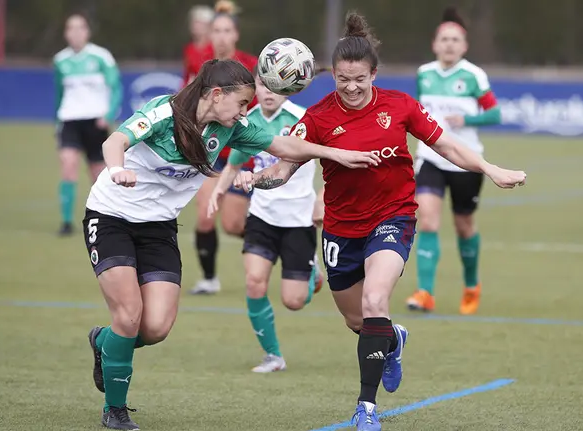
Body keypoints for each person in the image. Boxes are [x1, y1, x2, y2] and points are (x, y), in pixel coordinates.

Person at [231, 12, 526, 431]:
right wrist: (254, 178)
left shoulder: (400, 106)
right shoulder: (315, 118)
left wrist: (490, 168)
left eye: (360, 79)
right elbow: (282, 170)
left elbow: (447, 146)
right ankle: (393, 339)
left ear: (374, 74)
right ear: (333, 75)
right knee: (360, 322)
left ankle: (366, 408)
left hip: (394, 216)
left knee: (374, 303)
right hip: (340, 229)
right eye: (342, 80)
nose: (351, 88)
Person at [82, 59, 378, 430]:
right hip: (111, 218)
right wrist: (116, 169)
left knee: (155, 327)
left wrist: (334, 152)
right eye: (241, 103)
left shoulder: (232, 128)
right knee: (128, 315)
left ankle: (104, 343)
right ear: (217, 94)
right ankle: (116, 409)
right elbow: (116, 141)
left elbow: (283, 144)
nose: (245, 112)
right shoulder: (164, 111)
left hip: (158, 229)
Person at [207, 71, 324, 373]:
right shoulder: (246, 122)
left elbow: (330, 162)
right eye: (263, 84)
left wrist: (322, 199)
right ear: (254, 87)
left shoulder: (304, 119)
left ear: (290, 88)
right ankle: (273, 356)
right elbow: (233, 165)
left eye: (276, 86)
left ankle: (311, 271)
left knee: (294, 301)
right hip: (261, 216)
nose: (269, 92)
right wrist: (218, 192)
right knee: (254, 282)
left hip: (299, 219)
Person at [406, 7, 502, 315]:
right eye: (444, 39)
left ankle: (472, 285)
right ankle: (425, 293)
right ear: (435, 44)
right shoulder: (424, 74)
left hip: (465, 160)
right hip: (430, 158)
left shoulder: (474, 75)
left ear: (464, 46)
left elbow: (496, 113)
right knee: (428, 220)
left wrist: (468, 118)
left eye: (455, 40)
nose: (449, 44)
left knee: (464, 226)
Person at [187, 0, 260, 295]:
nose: (220, 36)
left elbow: (257, 109)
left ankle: (275, 240)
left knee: (232, 224)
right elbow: (188, 97)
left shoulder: (251, 65)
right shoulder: (197, 60)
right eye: (215, 30)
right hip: (209, 153)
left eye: (226, 30)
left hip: (239, 155)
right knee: (205, 215)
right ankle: (209, 279)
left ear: (235, 35)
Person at [54, 13, 122, 236]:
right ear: (66, 33)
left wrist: (109, 114)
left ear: (87, 32)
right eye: (70, 28)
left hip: (95, 121)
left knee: (99, 174)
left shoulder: (101, 57)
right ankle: (66, 223)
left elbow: (116, 87)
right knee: (68, 165)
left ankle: (106, 218)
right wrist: (57, 122)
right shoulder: (60, 60)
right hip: (70, 120)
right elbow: (59, 94)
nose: (75, 32)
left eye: (80, 28)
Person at [182, 5, 214, 85]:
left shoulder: (214, 48)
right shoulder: (189, 48)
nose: (196, 26)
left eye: (200, 23)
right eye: (194, 22)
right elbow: (187, 75)